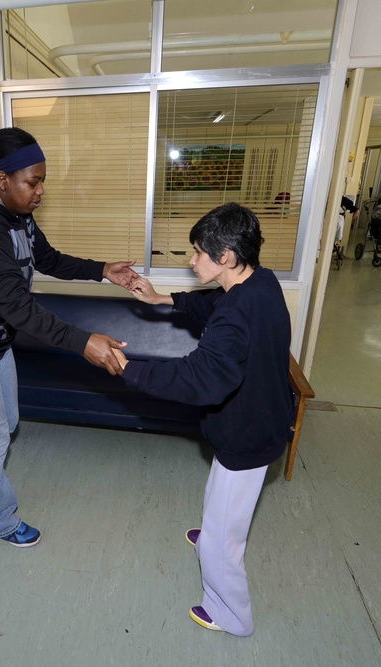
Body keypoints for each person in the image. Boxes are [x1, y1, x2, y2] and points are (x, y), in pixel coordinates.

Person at [0, 127, 138, 548]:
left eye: (42, 182)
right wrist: (82, 341)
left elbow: (47, 258)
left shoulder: (17, 216)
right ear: (2, 180)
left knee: (7, 425)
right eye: (32, 182)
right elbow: (17, 307)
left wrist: (102, 269)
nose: (39, 191)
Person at [113, 203, 293, 637]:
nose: (192, 261)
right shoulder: (258, 283)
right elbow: (211, 304)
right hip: (259, 416)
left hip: (247, 432)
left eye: (197, 253)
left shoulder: (235, 314)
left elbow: (198, 380)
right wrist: (161, 298)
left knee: (222, 541)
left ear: (225, 255)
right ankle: (215, 527)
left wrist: (128, 369)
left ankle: (233, 615)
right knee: (223, 492)